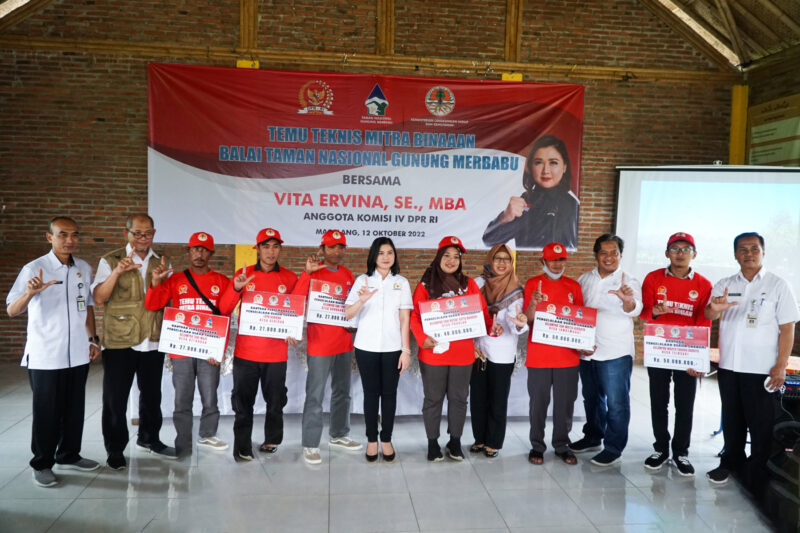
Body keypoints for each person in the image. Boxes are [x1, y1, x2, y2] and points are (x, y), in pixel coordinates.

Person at [6, 217, 101, 487]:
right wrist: (29, 293)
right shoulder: (35, 268)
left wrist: (93, 340)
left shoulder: (83, 267)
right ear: (50, 237)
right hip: (45, 354)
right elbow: (12, 309)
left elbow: (88, 307)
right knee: (47, 411)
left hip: (79, 353)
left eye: (73, 235)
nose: (69, 240)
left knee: (74, 409)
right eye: (62, 235)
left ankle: (69, 454)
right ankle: (42, 462)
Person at [704, 232, 798, 494]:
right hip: (730, 365)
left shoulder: (778, 284)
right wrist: (715, 308)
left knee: (760, 422)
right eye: (742, 249)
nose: (748, 253)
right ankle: (731, 462)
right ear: (735, 254)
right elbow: (709, 314)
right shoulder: (724, 283)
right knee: (733, 418)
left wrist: (780, 365)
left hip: (762, 368)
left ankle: (758, 469)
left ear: (763, 252)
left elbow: (788, 328)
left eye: (754, 248)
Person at [92, 214, 176, 470]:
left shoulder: (160, 261)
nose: (142, 238)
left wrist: (158, 282)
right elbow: (98, 297)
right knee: (115, 399)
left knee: (152, 395)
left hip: (151, 338)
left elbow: (164, 300)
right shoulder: (110, 259)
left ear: (154, 233)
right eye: (137, 233)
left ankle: (150, 439)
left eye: (148, 233)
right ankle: (115, 449)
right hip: (120, 340)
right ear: (126, 233)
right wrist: (117, 272)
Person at [410, 236, 501, 462]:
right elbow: (415, 316)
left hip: (462, 354)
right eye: (447, 255)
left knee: (459, 398)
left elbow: (481, 313)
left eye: (456, 256)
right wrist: (422, 338)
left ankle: (455, 441)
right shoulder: (425, 285)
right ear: (439, 257)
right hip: (434, 353)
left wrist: (492, 328)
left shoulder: (468, 284)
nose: (451, 260)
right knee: (433, 399)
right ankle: (432, 442)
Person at [144, 232, 231, 457]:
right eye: (195, 249)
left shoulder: (221, 281)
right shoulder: (175, 280)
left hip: (208, 350)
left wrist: (218, 350)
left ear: (211, 253)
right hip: (181, 350)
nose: (199, 254)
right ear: (188, 252)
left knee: (209, 396)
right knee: (182, 398)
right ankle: (183, 441)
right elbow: (153, 304)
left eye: (204, 249)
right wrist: (156, 281)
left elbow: (226, 315)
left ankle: (208, 434)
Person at [218, 228, 297, 461]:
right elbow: (224, 309)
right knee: (243, 403)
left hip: (276, 354)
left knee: (275, 402)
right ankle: (242, 446)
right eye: (266, 246)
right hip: (246, 352)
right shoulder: (243, 275)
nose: (271, 251)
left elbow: (296, 309)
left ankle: (272, 438)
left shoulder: (290, 278)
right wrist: (236, 288)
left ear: (280, 249)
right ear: (258, 249)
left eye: (275, 246)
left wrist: (292, 329)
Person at [640, 232, 712, 477]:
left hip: (688, 354)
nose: (680, 253)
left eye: (685, 249)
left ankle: (681, 451)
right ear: (666, 252)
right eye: (675, 248)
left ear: (694, 254)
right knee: (659, 402)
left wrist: (700, 359)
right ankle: (660, 448)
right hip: (659, 351)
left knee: (685, 404)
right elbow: (644, 315)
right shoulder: (652, 278)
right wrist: (656, 313)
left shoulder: (703, 284)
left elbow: (704, 323)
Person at [570, 233, 642, 466]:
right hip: (587, 349)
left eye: (614, 253)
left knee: (617, 402)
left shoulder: (629, 281)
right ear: (596, 255)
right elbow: (577, 312)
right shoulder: (584, 279)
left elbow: (635, 309)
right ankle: (593, 436)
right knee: (591, 398)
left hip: (615, 352)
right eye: (604, 252)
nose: (609, 257)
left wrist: (626, 300)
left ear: (621, 255)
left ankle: (613, 447)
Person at [293, 230, 360, 465]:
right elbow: (297, 300)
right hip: (320, 345)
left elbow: (352, 308)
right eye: (332, 247)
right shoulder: (313, 272)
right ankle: (311, 443)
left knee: (343, 392)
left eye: (341, 247)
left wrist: (354, 323)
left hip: (343, 343)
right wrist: (306, 274)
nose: (337, 251)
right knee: (315, 395)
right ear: (322, 249)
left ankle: (339, 434)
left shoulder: (349, 275)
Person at [344, 237, 413, 462]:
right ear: (374, 256)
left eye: (390, 253)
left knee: (390, 395)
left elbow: (405, 319)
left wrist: (406, 350)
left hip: (393, 348)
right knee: (371, 395)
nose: (386, 257)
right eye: (381, 253)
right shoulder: (362, 280)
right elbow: (348, 314)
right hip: (366, 347)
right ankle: (372, 440)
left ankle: (387, 439)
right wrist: (361, 300)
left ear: (394, 256)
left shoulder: (401, 282)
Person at [523, 242, 583, 466]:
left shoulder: (573, 287)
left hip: (567, 357)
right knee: (538, 403)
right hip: (539, 356)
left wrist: (584, 343)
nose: (557, 264)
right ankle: (537, 445)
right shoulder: (532, 285)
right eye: (553, 260)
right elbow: (527, 319)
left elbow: (580, 320)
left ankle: (562, 445)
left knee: (565, 404)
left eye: (561, 260)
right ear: (543, 262)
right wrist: (533, 303)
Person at [469, 244, 528, 458]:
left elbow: (516, 324)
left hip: (502, 353)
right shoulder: (477, 283)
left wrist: (519, 323)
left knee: (497, 398)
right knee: (477, 397)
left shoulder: (516, 290)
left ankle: (493, 442)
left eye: (506, 259)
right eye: (498, 258)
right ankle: (480, 438)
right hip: (478, 350)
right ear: (490, 260)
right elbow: (469, 312)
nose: (502, 263)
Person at [482, 135, 579, 250]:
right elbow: (489, 240)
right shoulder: (525, 201)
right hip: (527, 265)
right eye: (538, 162)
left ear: (564, 167)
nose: (546, 171)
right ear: (531, 167)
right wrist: (505, 217)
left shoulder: (573, 206)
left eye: (553, 163)